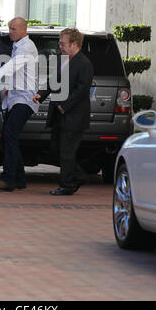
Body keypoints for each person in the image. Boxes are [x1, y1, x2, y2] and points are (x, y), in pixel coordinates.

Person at [0, 17, 39, 191]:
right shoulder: (18, 46)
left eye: (14, 29)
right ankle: (19, 178)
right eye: (10, 28)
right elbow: (17, 73)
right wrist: (7, 87)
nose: (10, 32)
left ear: (23, 29)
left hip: (24, 98)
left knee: (10, 135)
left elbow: (11, 67)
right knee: (9, 136)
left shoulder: (27, 47)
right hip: (15, 96)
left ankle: (8, 179)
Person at [33, 28, 93, 195]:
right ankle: (79, 176)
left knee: (66, 152)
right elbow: (54, 82)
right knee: (56, 150)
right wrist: (41, 94)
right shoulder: (62, 60)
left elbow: (81, 89)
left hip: (74, 116)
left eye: (62, 43)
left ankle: (66, 185)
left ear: (74, 44)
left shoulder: (84, 63)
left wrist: (65, 105)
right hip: (59, 115)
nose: (60, 46)